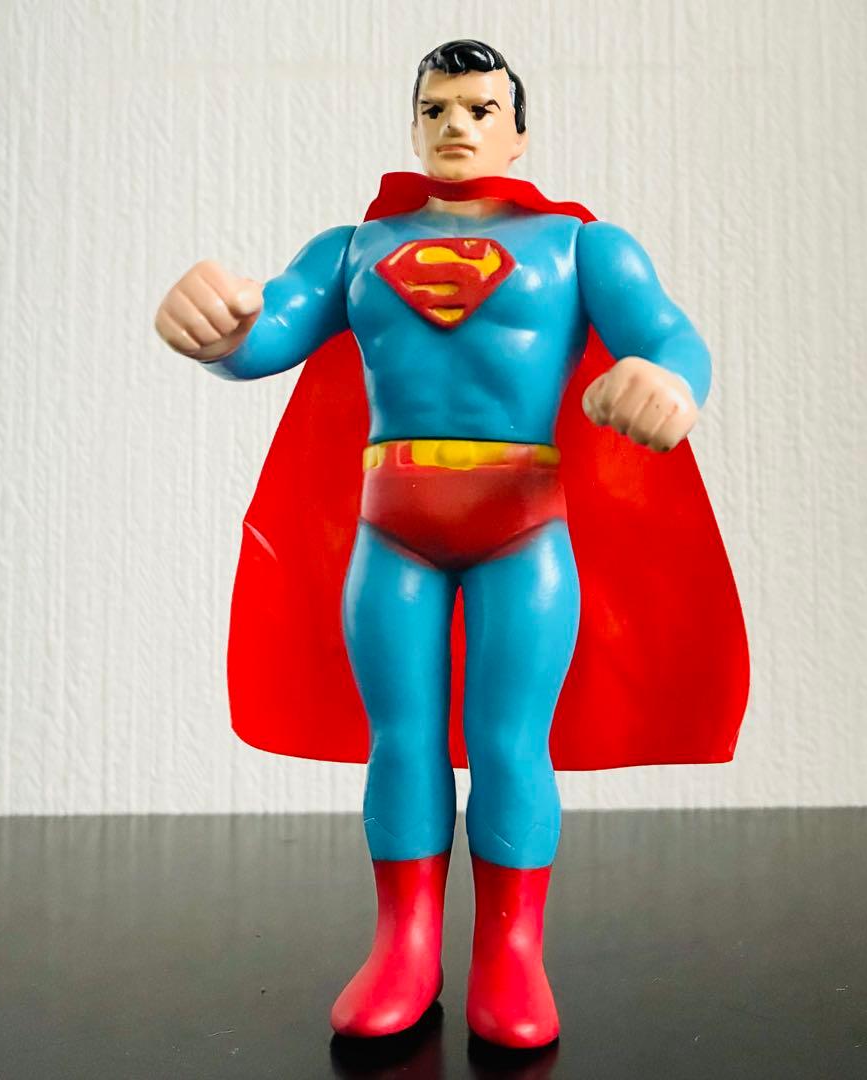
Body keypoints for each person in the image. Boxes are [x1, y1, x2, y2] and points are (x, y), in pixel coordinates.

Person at [155, 39, 747, 1050]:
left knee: (512, 740)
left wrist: (669, 382)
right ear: (413, 125)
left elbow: (670, 335)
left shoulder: (582, 248)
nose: (457, 126)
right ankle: (406, 943)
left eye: (479, 108)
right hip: (394, 526)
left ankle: (513, 950)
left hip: (525, 524)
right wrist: (216, 325)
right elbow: (267, 332)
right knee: (402, 739)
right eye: (436, 109)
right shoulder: (353, 249)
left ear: (520, 131)